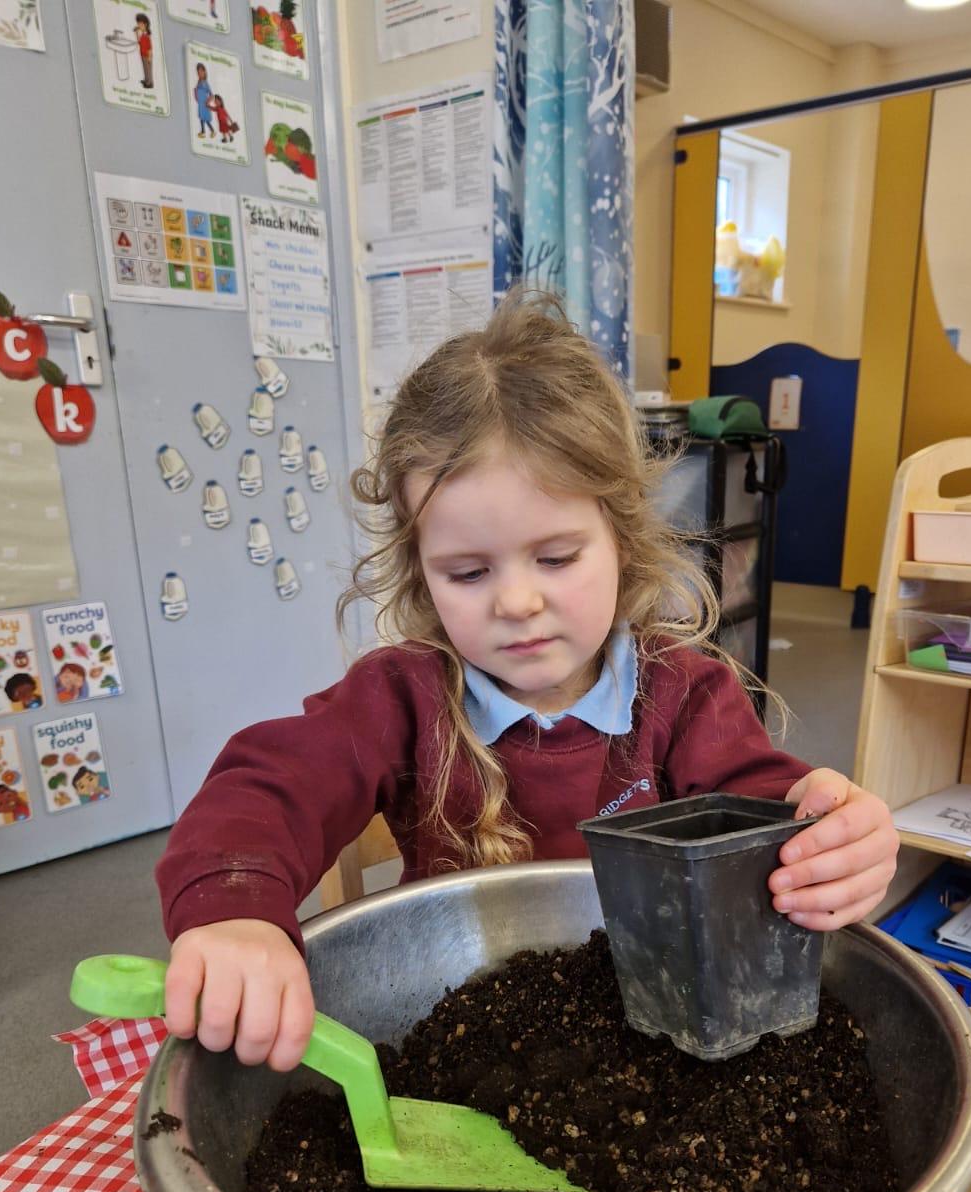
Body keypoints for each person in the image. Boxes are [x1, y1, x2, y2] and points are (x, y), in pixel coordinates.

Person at [156, 294, 898, 1073]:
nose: (516, 602)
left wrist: (830, 840)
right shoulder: (400, 697)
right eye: (468, 572)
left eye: (556, 558)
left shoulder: (684, 694)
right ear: (421, 572)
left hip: (660, 1018)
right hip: (460, 1022)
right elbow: (269, 787)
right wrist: (234, 908)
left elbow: (770, 812)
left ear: (621, 537)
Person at [193, 61, 214, 138]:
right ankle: (203, 132)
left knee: (206, 119)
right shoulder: (199, 82)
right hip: (201, 104)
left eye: (201, 71)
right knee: (202, 118)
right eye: (198, 72)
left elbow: (212, 95)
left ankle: (212, 131)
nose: (199, 73)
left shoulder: (205, 83)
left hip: (204, 104)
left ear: (204, 72)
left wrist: (208, 101)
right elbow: (197, 92)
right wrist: (196, 93)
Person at [135, 13, 154, 91]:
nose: (139, 26)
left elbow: (149, 48)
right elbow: (139, 42)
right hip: (143, 54)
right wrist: (137, 33)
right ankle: (146, 80)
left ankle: (149, 83)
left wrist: (149, 57)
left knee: (148, 70)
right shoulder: (142, 35)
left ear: (145, 24)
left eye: (140, 24)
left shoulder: (147, 36)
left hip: (147, 55)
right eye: (138, 24)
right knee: (145, 69)